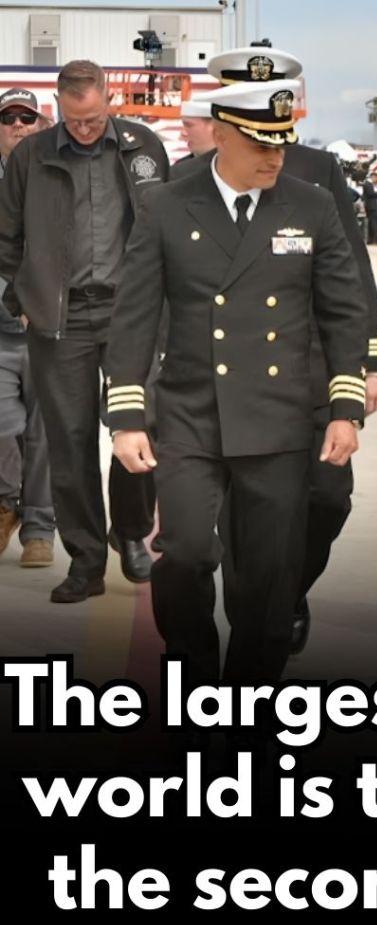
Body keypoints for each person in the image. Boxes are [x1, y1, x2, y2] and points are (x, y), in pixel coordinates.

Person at [105, 80, 368, 684]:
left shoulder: (311, 205)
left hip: (278, 415)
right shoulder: (167, 204)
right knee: (185, 554)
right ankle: (195, 677)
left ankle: (251, 695)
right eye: (260, 145)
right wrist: (126, 416)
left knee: (268, 577)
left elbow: (343, 311)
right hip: (191, 411)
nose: (275, 157)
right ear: (220, 135)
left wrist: (344, 408)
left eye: (282, 143)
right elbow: (135, 314)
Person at [175, 43, 377, 653]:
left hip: (310, 362)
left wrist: (372, 356)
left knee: (328, 498)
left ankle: (285, 589)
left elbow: (351, 270)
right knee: (240, 511)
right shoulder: (185, 180)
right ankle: (258, 612)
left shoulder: (319, 172)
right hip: (222, 371)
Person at [0, 60, 167, 601]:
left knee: (139, 425)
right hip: (60, 319)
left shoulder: (143, 148)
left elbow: (164, 229)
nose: (86, 129)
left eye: (94, 119)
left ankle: (132, 532)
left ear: (108, 99)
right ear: (59, 107)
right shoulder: (31, 157)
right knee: (69, 444)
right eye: (75, 121)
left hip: (130, 314)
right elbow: (6, 238)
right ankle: (86, 562)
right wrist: (23, 298)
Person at [0, 89, 56, 568]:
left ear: (39, 125)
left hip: (49, 329)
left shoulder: (56, 177)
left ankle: (39, 528)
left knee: (44, 433)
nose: (17, 125)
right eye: (8, 118)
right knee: (4, 427)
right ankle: (5, 502)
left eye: (26, 117)